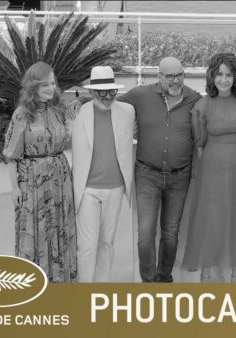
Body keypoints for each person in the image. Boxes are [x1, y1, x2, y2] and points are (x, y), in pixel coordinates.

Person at [68, 57, 202, 283]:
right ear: (159, 76)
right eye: (169, 75)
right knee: (138, 236)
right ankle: (140, 283)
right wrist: (80, 99)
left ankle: (161, 280)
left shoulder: (193, 100)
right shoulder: (137, 96)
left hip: (171, 178)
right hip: (136, 177)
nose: (175, 80)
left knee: (167, 234)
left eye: (179, 75)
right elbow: (104, 100)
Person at [181, 52, 236, 282]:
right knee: (210, 222)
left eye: (229, 74)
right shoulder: (202, 106)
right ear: (211, 76)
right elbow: (200, 145)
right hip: (210, 173)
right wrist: (207, 170)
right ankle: (206, 279)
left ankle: (235, 280)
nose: (224, 79)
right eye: (219, 74)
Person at [3, 62, 77, 282]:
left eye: (53, 83)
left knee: (60, 228)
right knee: (35, 231)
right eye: (44, 84)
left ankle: (61, 281)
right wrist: (15, 188)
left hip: (61, 179)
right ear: (33, 86)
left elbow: (68, 139)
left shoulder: (58, 110)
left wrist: (80, 102)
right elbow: (11, 155)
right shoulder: (22, 114)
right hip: (33, 182)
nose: (50, 88)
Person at [71, 66, 135, 282]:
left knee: (107, 243)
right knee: (87, 246)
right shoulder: (78, 112)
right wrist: (78, 101)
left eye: (112, 91)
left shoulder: (128, 112)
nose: (107, 96)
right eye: (101, 92)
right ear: (91, 92)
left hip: (116, 188)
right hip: (87, 189)